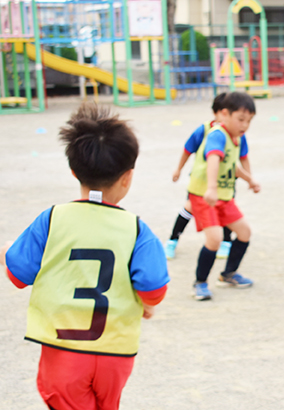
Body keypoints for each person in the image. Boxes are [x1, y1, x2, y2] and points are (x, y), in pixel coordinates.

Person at [0, 103, 170, 410]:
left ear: (74, 171)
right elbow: (154, 290)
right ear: (127, 177)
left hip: (62, 353)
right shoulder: (137, 230)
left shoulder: (51, 219)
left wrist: (4, 253)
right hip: (116, 354)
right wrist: (142, 303)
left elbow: (18, 274)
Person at [188, 92, 261, 301]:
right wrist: (211, 188)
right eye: (240, 119)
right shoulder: (217, 134)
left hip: (224, 197)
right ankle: (199, 283)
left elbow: (232, 166)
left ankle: (228, 274)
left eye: (249, 121)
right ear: (224, 115)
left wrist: (249, 180)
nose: (245, 125)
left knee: (244, 232)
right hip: (205, 195)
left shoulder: (235, 138)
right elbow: (213, 158)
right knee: (215, 239)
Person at [165, 93, 253, 260]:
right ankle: (173, 240)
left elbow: (242, 158)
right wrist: (178, 169)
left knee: (227, 209)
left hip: (225, 182)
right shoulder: (208, 131)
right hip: (201, 185)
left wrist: (250, 178)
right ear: (219, 113)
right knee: (188, 209)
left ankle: (226, 242)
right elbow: (188, 149)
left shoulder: (237, 134)